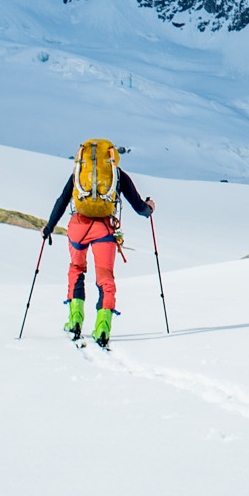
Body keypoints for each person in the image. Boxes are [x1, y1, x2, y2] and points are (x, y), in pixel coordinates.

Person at [41, 141, 153, 348]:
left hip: (78, 227)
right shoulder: (117, 175)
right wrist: (150, 208)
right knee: (105, 277)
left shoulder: (79, 172)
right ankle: (102, 328)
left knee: (76, 269)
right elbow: (139, 208)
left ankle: (75, 321)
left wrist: (49, 227)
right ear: (111, 158)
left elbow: (62, 200)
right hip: (104, 229)